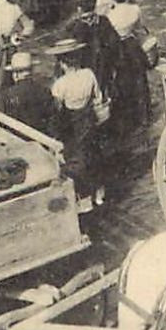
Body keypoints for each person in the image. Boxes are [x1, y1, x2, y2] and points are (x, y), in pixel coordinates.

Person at [48, 39, 103, 208]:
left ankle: (84, 197)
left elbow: (57, 109)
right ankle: (99, 193)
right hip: (89, 119)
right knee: (92, 155)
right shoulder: (89, 74)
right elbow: (98, 97)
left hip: (72, 123)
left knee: (77, 160)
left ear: (63, 63)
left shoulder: (60, 84)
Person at [102, 0, 152, 130]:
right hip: (133, 46)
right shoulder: (135, 9)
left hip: (119, 49)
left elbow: (108, 35)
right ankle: (144, 115)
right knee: (140, 81)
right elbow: (139, 28)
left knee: (122, 83)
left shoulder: (110, 16)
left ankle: (128, 118)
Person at [0, 51, 53, 132]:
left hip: (15, 138)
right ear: (31, 71)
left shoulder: (7, 95)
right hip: (40, 137)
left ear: (15, 74)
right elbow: (50, 117)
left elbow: (2, 122)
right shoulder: (45, 91)